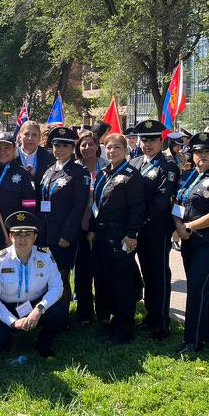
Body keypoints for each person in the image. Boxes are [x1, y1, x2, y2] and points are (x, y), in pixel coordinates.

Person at [172, 132, 209, 355]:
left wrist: (189, 227)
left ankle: (192, 341)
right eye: (198, 151)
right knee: (202, 287)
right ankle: (204, 334)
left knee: (197, 287)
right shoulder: (188, 177)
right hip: (189, 240)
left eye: (208, 151)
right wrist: (179, 225)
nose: (202, 155)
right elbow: (177, 204)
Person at [0, 211, 68, 357]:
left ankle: (43, 342)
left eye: (28, 234)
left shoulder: (45, 256)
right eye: (18, 234)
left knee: (59, 313)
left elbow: (57, 287)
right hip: (7, 307)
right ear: (10, 236)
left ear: (35, 237)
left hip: (35, 305)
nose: (23, 239)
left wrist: (39, 309)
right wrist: (12, 322)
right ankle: (10, 336)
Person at [89, 133, 144, 344]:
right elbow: (97, 205)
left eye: (117, 148)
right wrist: (93, 229)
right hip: (102, 234)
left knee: (122, 282)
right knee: (103, 278)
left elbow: (137, 208)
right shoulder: (104, 173)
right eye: (109, 148)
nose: (112, 151)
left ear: (126, 150)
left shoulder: (131, 175)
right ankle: (107, 320)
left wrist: (132, 235)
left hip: (121, 235)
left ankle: (123, 327)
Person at [130, 120, 179, 339]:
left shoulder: (168, 166)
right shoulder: (136, 162)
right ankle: (151, 314)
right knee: (147, 272)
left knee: (159, 274)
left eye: (152, 140)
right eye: (144, 140)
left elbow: (162, 199)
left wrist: (140, 220)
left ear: (162, 141)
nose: (148, 144)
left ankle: (161, 320)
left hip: (157, 228)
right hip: (140, 229)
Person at [37, 126, 88, 302]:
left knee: (61, 275)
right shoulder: (49, 170)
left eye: (65, 146)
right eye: (56, 145)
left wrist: (67, 234)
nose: (59, 150)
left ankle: (63, 316)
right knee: (45, 275)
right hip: (45, 233)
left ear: (72, 148)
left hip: (63, 234)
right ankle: (49, 311)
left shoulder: (79, 173)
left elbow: (79, 207)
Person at [73, 130, 108, 325]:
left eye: (90, 144)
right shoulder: (75, 168)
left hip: (102, 224)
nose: (87, 148)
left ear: (97, 146)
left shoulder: (107, 167)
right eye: (83, 145)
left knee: (102, 267)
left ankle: (103, 312)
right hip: (81, 224)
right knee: (82, 268)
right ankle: (84, 312)